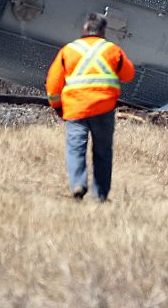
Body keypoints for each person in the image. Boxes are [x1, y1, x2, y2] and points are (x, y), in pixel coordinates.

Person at [46, 13, 135, 201]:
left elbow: (53, 83)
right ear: (103, 31)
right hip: (103, 109)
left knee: (75, 149)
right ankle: (100, 195)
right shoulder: (112, 50)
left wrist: (57, 106)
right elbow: (128, 74)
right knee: (102, 152)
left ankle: (78, 184)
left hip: (75, 109)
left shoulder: (68, 50)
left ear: (84, 28)